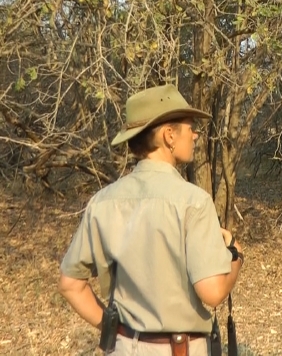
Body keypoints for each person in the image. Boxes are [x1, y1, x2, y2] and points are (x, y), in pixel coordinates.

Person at [58, 84, 244, 356]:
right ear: (169, 135)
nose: (195, 135)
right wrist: (236, 255)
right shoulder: (194, 202)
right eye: (190, 127)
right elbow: (213, 292)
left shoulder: (102, 202)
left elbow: (70, 285)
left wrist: (117, 333)